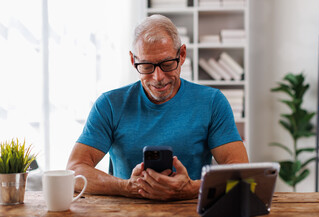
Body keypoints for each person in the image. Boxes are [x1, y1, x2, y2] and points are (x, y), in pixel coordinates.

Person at [67, 14, 248, 201]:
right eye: (146, 66)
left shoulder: (212, 102)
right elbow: (74, 170)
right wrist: (127, 187)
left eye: (167, 64)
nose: (158, 77)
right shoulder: (110, 105)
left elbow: (241, 171)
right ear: (133, 60)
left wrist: (192, 188)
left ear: (182, 55)